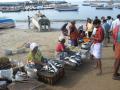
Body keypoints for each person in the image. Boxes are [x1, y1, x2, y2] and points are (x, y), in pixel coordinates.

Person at [112, 15, 120, 80]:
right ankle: (115, 75)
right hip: (119, 45)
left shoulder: (117, 27)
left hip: (117, 44)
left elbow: (114, 37)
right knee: (118, 60)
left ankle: (116, 73)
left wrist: (114, 45)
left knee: (117, 59)